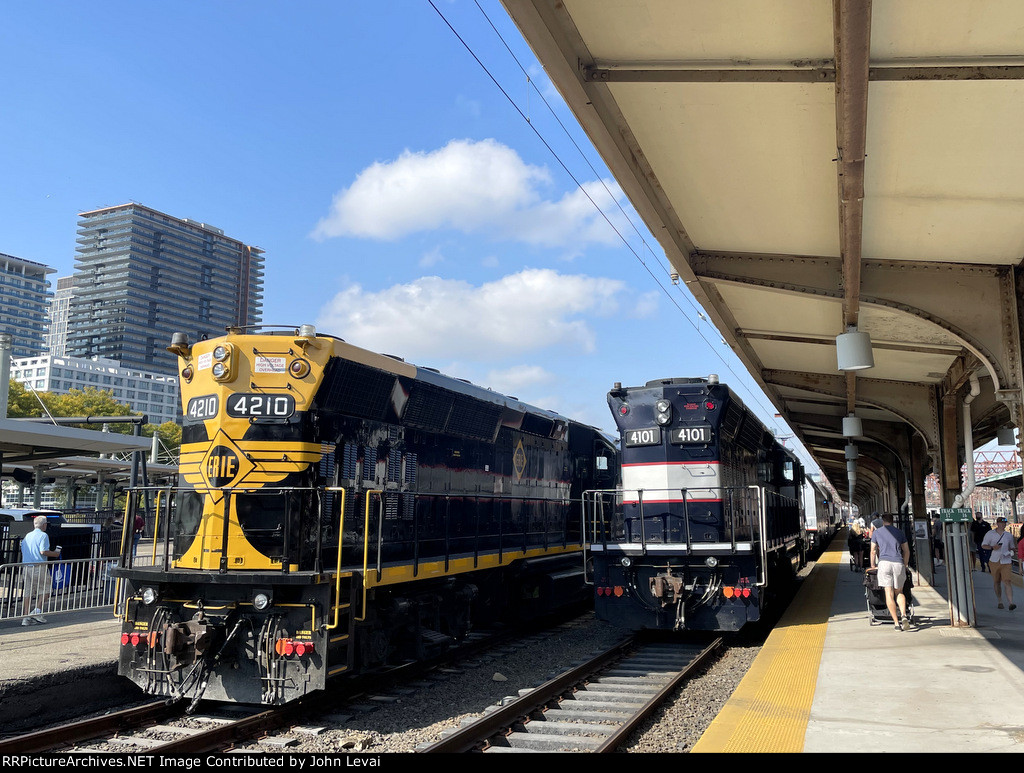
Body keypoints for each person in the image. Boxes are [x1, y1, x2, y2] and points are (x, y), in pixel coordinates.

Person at [870, 513, 911, 631]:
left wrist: (873, 565)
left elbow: (873, 551)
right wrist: (905, 564)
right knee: (899, 592)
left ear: (883, 521)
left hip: (884, 564)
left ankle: (897, 624)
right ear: (893, 521)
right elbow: (906, 551)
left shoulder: (877, 533)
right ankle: (903, 615)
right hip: (898, 563)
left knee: (889, 593)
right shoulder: (899, 532)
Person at [20, 515, 62, 626]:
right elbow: (43, 551)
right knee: (46, 590)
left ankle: (25, 617)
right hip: (39, 566)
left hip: (26, 566)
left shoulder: (27, 535)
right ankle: (37, 611)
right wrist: (55, 553)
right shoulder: (43, 536)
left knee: (28, 592)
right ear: (44, 525)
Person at [981, 517, 1016, 611]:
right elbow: (983, 545)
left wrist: (1012, 551)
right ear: (997, 523)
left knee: (1007, 581)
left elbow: (1012, 546)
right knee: (997, 581)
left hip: (1006, 560)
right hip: (994, 560)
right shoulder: (990, 534)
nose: (1003, 525)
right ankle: (1000, 600)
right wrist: (993, 548)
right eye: (1001, 523)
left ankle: (1011, 603)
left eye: (1005, 523)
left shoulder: (1008, 535)